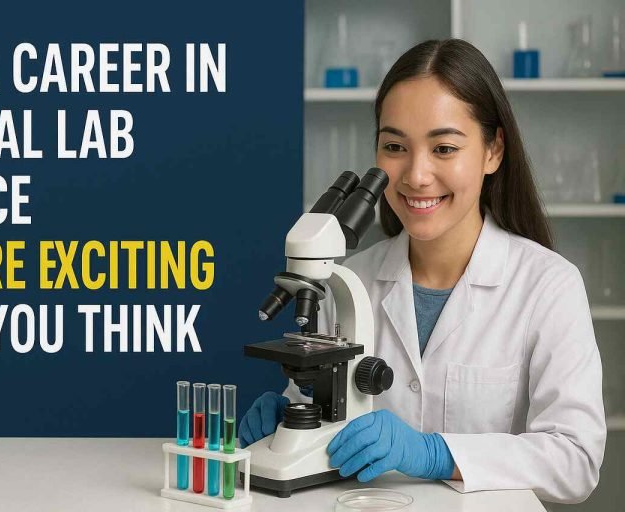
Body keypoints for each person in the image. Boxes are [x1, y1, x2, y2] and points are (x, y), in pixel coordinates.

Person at [238, 39, 606, 504]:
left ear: (493, 151)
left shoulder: (548, 286)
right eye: (395, 146)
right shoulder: (349, 283)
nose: (416, 174)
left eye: (444, 148)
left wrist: (438, 453)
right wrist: (286, 421)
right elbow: (316, 414)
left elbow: (576, 460)